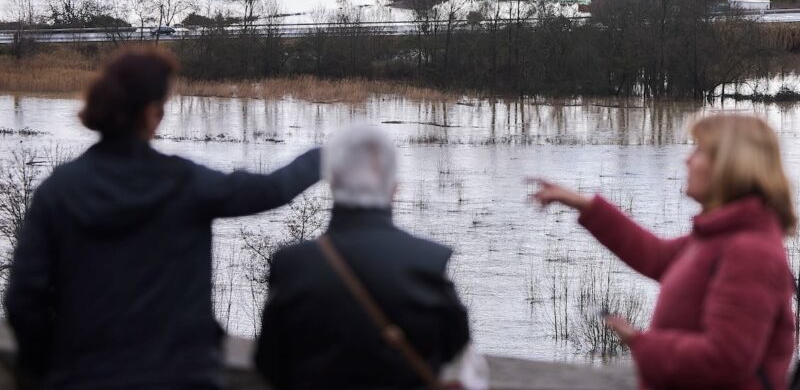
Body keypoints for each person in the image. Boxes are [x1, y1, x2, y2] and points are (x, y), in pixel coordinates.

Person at [5, 47, 322, 390]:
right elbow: (271, 190)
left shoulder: (58, 191)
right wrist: (327, 155)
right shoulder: (185, 183)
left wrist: (51, 368)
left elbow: (24, 298)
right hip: (181, 376)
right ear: (151, 114)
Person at [530, 114, 796, 390]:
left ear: (730, 167)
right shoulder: (720, 238)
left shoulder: (750, 252)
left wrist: (642, 344)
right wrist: (583, 205)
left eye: (700, 151)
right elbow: (655, 256)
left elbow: (725, 359)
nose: (687, 160)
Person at [256, 126, 470, 390]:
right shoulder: (429, 263)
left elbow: (268, 363)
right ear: (394, 189)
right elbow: (454, 348)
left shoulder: (292, 265)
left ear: (332, 183)